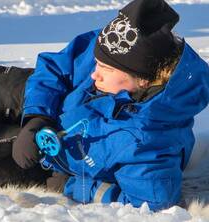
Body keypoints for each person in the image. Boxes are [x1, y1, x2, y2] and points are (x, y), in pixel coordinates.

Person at [12, 0, 209, 211]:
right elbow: (55, 66)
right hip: (47, 109)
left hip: (54, 166)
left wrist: (71, 185)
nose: (94, 73)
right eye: (97, 62)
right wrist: (36, 117)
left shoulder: (146, 141)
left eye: (105, 68)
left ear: (143, 80)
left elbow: (151, 203)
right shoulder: (117, 46)